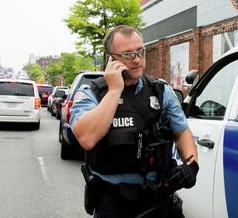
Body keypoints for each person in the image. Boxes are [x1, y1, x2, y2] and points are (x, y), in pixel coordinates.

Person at [70, 25, 199, 218]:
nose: (137, 59)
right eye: (128, 54)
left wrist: (191, 164)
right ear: (111, 59)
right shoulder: (93, 93)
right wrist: (114, 90)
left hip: (157, 198)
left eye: (140, 51)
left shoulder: (160, 91)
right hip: (112, 202)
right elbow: (87, 138)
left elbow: (181, 131)